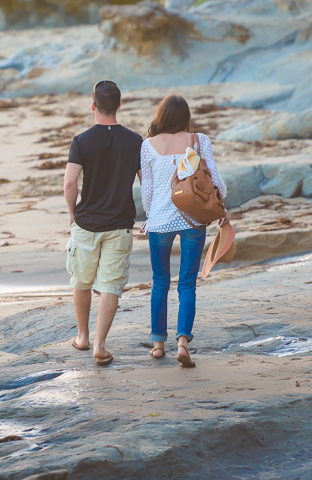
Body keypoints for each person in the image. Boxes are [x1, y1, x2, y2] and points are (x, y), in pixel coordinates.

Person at [139, 94, 227, 367]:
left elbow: (147, 191)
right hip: (193, 221)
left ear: (160, 116)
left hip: (160, 223)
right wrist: (223, 206)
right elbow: (218, 184)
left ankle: (157, 345)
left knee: (160, 282)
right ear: (186, 117)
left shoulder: (147, 146)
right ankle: (182, 343)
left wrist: (150, 216)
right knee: (187, 284)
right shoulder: (199, 141)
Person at [63, 81, 142, 366]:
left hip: (87, 224)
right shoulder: (135, 141)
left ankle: (82, 336)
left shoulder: (82, 141)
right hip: (120, 224)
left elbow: (70, 182)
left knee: (81, 280)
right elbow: (148, 185)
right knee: (110, 285)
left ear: (92, 106)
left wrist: (72, 213)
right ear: (119, 105)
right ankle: (100, 344)